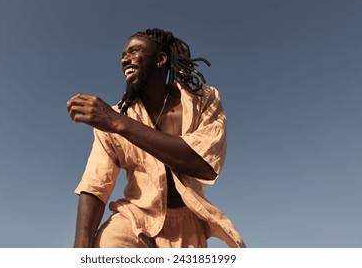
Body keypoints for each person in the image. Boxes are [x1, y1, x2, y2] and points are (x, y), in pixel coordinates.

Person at [66, 28, 245, 248]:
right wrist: (80, 251)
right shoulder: (111, 119)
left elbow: (204, 164)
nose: (124, 60)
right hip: (134, 220)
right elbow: (96, 186)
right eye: (123, 55)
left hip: (187, 229)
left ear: (160, 59)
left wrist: (119, 124)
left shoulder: (203, 100)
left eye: (133, 51)